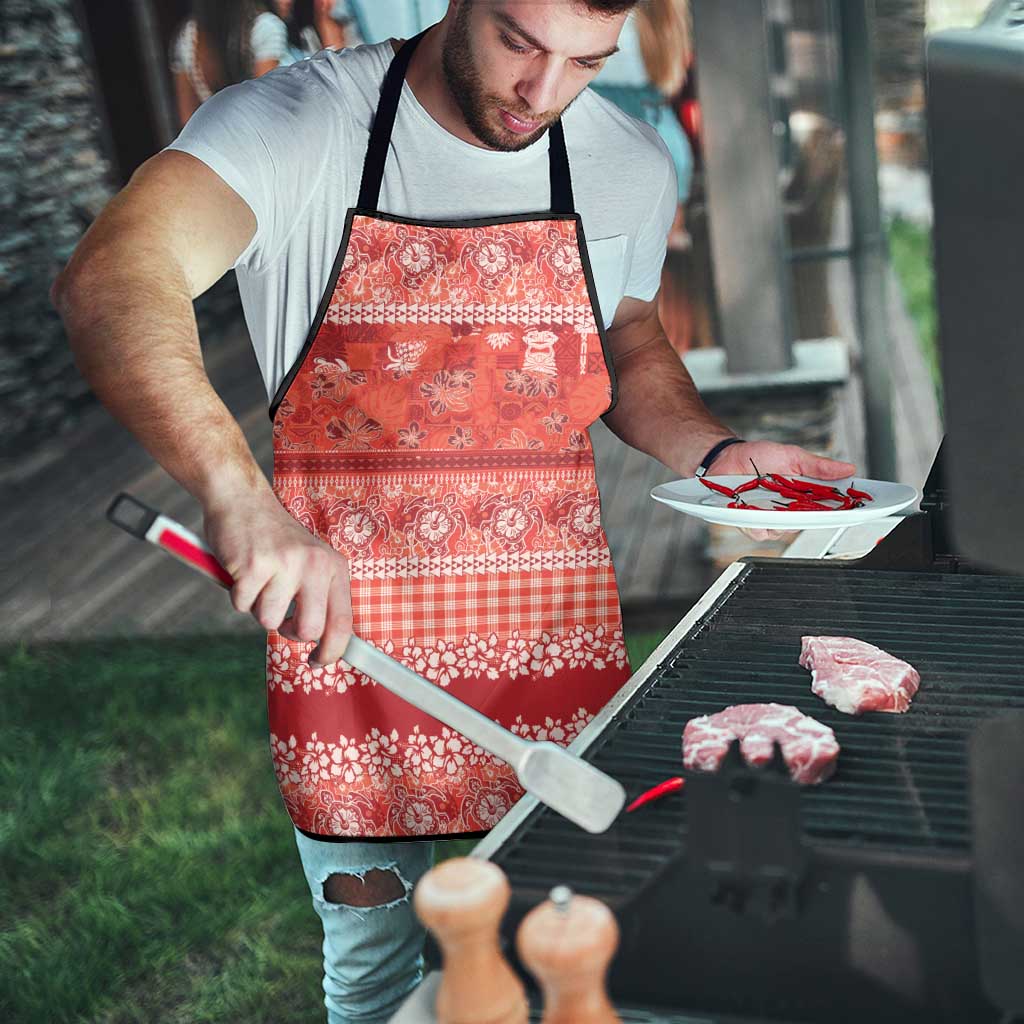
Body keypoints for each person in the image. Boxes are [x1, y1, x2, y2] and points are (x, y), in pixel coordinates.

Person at [53, 2, 856, 1020]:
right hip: (352, 660)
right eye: (520, 42)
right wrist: (237, 496)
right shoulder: (298, 125)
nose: (543, 93)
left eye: (586, 62)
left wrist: (716, 450)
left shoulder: (625, 161)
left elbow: (627, 338)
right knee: (377, 977)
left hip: (553, 647)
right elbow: (114, 276)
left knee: (583, 956)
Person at [169, 0, 288, 127]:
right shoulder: (265, 27)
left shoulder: (187, 37)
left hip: (215, 135)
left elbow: (187, 120)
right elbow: (266, 107)